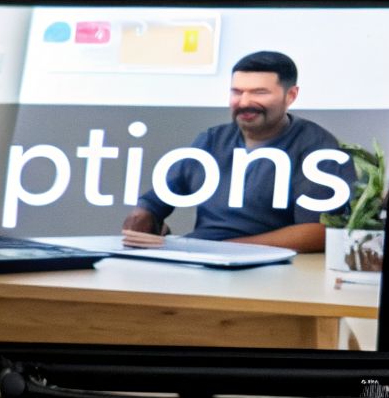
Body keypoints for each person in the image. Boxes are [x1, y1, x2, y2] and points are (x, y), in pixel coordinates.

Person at [121, 51, 352, 252]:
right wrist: (143, 217)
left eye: (259, 92)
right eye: (237, 92)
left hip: (270, 268)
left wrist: (227, 249)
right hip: (198, 257)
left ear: (290, 96)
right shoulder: (212, 140)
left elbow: (319, 232)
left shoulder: (317, 147)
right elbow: (155, 201)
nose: (245, 102)